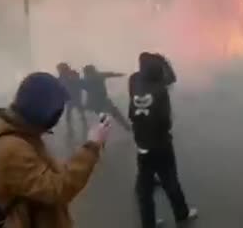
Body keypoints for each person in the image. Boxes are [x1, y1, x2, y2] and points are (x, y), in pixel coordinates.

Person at [0, 72, 110, 228]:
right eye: (56, 111)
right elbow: (56, 189)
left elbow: (50, 174)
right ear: (40, 109)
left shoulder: (26, 135)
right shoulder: (11, 148)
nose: (56, 118)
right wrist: (92, 146)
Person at [129, 52, 197, 228]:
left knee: (144, 189)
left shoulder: (134, 81)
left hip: (141, 143)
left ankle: (148, 223)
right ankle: (182, 213)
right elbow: (164, 120)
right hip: (160, 144)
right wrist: (164, 61)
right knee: (170, 180)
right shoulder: (160, 88)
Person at [81, 64, 130, 131]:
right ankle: (126, 127)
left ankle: (123, 127)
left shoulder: (87, 79)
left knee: (106, 116)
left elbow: (110, 74)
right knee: (114, 114)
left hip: (95, 102)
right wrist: (119, 74)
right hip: (101, 100)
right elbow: (111, 74)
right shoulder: (97, 76)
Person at [57, 63, 87, 134]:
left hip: (75, 96)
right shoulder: (62, 76)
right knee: (71, 113)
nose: (59, 71)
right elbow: (59, 83)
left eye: (59, 69)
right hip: (70, 97)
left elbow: (77, 81)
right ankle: (70, 129)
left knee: (79, 111)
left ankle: (84, 126)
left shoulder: (72, 73)